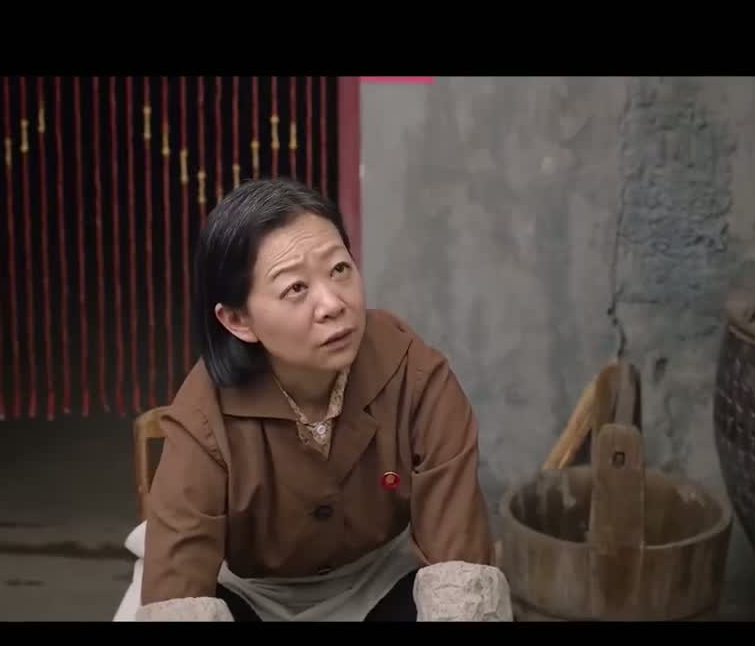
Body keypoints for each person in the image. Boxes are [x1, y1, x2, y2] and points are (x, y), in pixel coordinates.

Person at [116, 178, 508, 622]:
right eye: (296, 289)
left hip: (376, 579)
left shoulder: (417, 374)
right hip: (244, 588)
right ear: (238, 320)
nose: (333, 304)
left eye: (339, 269)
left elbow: (457, 554)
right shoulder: (202, 418)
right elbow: (181, 585)